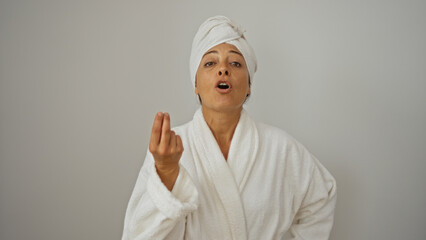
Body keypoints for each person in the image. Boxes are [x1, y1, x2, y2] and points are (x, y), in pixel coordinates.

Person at [121, 15, 337, 240]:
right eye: (210, 63)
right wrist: (165, 172)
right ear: (195, 84)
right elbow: (137, 235)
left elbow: (322, 195)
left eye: (235, 63)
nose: (223, 69)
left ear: (249, 86)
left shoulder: (281, 148)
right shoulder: (169, 149)